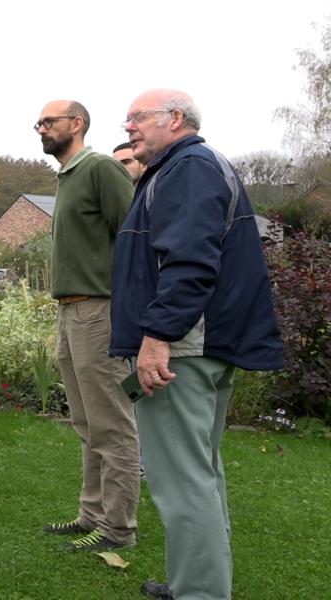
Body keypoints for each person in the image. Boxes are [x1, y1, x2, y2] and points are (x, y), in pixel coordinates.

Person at [111, 89, 283, 600]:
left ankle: (200, 593)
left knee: (181, 480)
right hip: (198, 343)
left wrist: (157, 337)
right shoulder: (189, 167)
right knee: (199, 472)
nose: (128, 127)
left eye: (137, 118)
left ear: (175, 119)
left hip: (182, 347)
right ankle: (197, 582)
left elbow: (188, 261)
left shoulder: (188, 168)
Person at [34, 100, 139, 552]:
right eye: (38, 122)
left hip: (100, 311)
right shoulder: (67, 176)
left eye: (48, 121)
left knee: (111, 423)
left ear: (76, 124)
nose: (40, 128)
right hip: (70, 311)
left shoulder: (99, 168)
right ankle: (91, 515)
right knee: (85, 420)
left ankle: (119, 528)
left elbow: (134, 239)